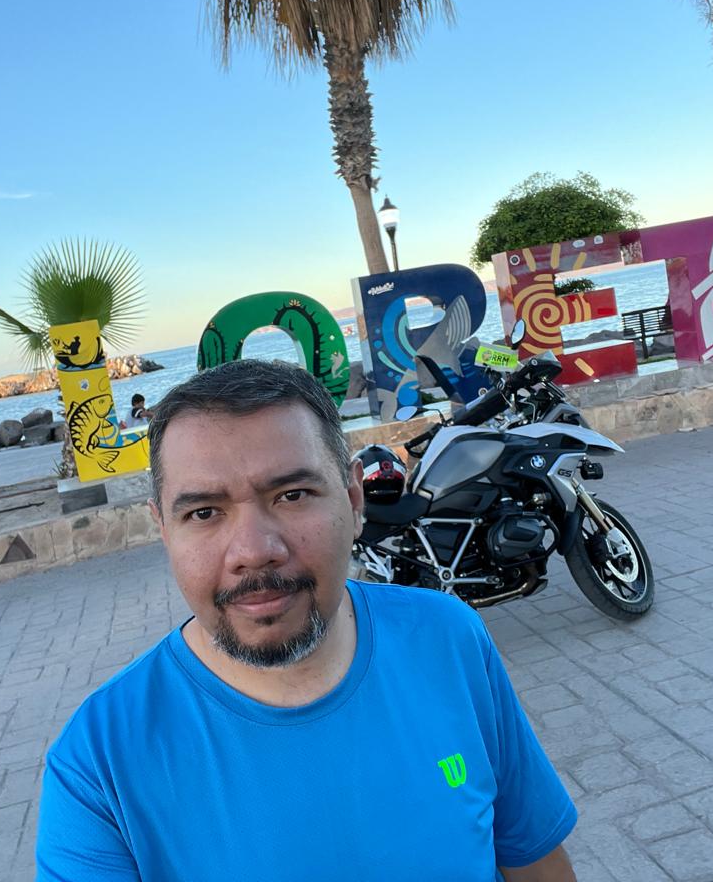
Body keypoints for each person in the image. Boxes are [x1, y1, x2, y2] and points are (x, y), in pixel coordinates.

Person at [36, 360, 579, 882]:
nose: (254, 551)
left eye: (292, 495)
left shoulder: (448, 638)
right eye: (203, 513)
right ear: (163, 529)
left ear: (353, 499)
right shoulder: (100, 760)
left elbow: (534, 860)